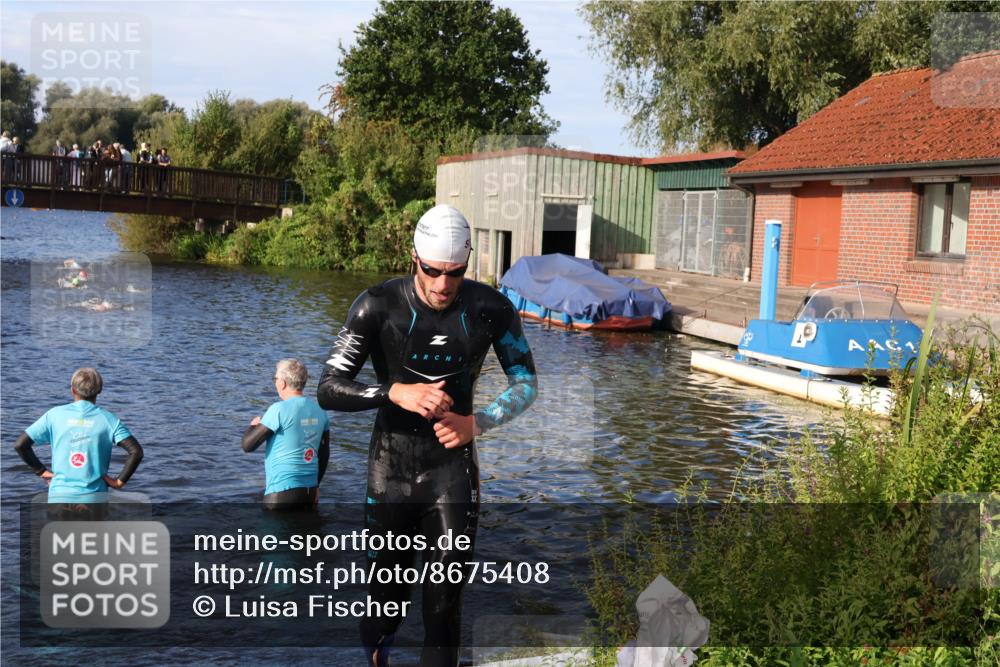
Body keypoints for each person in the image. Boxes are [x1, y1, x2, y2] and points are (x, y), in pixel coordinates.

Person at [317, 204, 538, 667]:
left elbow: (526, 382)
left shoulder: (490, 309)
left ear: (467, 261)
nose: (442, 285)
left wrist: (476, 422)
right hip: (390, 470)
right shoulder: (376, 305)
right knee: (386, 603)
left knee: (444, 606)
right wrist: (393, 391)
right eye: (432, 271)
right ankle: (377, 654)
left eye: (455, 273)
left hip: (452, 472)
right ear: (413, 258)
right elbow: (328, 389)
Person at [12, 368, 143, 509]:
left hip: (59, 497)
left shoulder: (54, 415)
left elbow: (21, 445)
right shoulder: (108, 419)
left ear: (73, 390)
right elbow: (136, 452)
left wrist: (41, 471)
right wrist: (119, 482)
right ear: (99, 390)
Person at [243, 359, 330, 511]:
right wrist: (316, 486)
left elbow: (247, 445)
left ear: (282, 383)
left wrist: (253, 426)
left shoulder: (278, 410)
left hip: (281, 493)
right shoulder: (320, 411)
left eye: (275, 379)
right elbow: (324, 454)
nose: (275, 382)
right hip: (309, 493)